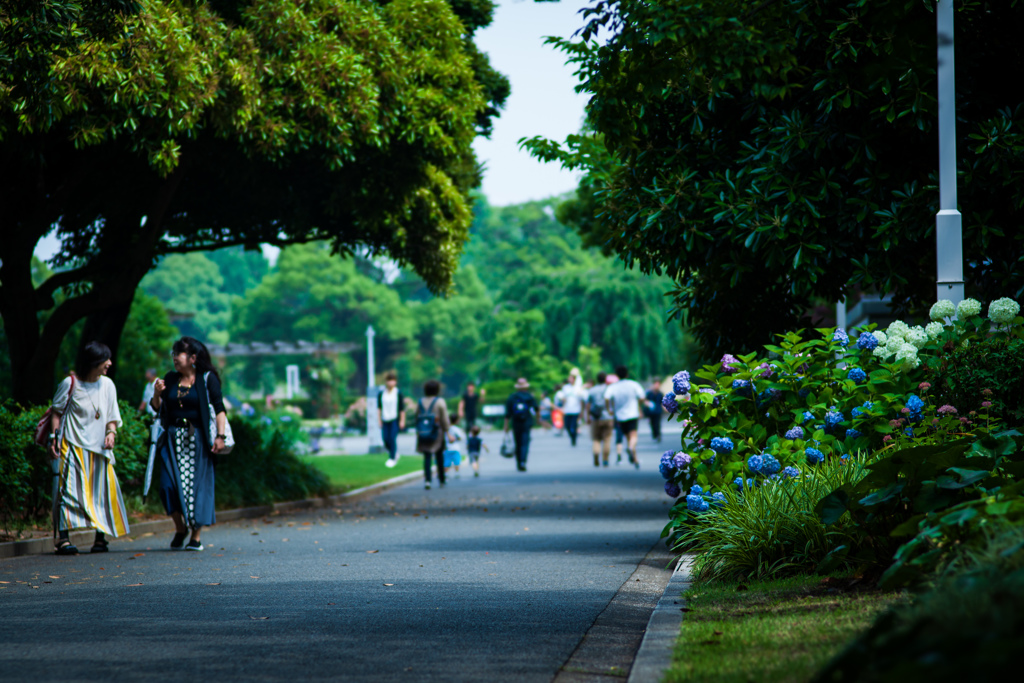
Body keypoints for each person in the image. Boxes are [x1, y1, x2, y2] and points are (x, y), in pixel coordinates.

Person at [48, 341, 130, 555]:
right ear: (94, 363)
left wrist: (111, 433)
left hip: (100, 449)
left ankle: (100, 539)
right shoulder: (70, 383)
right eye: (106, 360)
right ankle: (63, 540)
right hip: (72, 446)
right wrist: (54, 438)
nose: (110, 363)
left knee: (100, 494)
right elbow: (56, 412)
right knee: (68, 493)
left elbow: (112, 417)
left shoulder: (108, 385)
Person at [151, 337, 228, 552]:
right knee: (167, 486)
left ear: (192, 358)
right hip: (173, 439)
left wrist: (220, 436)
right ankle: (180, 527)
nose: (175, 357)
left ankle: (196, 536)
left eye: (179, 353)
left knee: (198, 488)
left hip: (199, 441)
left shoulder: (207, 379)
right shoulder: (170, 379)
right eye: (173, 353)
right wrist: (157, 393)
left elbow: (219, 409)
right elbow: (157, 408)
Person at [605, 365, 646, 469]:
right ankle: (631, 448)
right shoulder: (633, 384)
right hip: (632, 414)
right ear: (627, 374)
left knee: (627, 437)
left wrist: (609, 409)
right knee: (633, 436)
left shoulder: (613, 387)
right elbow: (642, 397)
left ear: (617, 375)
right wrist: (638, 404)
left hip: (619, 416)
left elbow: (606, 397)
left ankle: (635, 459)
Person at [415, 379, 451, 490]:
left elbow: (417, 417)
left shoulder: (420, 401)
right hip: (437, 433)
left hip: (423, 433)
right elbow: (444, 419)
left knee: (427, 456)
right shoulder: (440, 402)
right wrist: (447, 431)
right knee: (439, 456)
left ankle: (427, 480)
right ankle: (441, 479)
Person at [504, 378, 538, 472]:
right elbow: (536, 409)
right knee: (524, 443)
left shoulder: (512, 397)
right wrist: (538, 420)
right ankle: (523, 461)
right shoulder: (529, 396)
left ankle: (519, 462)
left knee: (518, 443)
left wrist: (506, 425)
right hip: (526, 422)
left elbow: (508, 413)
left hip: (516, 422)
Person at [584, 372, 614, 468]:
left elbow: (588, 405)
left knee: (596, 439)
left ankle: (596, 457)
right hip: (607, 417)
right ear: (605, 379)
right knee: (607, 439)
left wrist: (587, 417)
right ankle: (605, 460)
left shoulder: (592, 390)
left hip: (595, 418)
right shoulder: (609, 389)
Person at [377, 371, 406, 468]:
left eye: (392, 380)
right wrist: (379, 420)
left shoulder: (398, 393)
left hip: (394, 419)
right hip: (385, 418)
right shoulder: (381, 393)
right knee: (385, 439)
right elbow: (379, 408)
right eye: (389, 380)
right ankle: (394, 452)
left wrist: (402, 421)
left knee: (392, 438)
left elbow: (402, 409)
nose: (390, 383)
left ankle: (392, 458)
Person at [556, 375, 586, 447]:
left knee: (574, 426)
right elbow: (563, 398)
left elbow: (581, 400)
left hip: (576, 410)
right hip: (567, 410)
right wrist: (563, 406)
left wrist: (582, 411)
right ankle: (572, 437)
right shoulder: (565, 388)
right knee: (567, 426)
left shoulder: (578, 388)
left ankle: (574, 438)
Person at [645, 378, 665, 443]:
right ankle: (654, 435)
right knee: (652, 424)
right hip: (651, 411)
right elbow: (646, 400)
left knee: (657, 423)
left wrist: (665, 409)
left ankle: (658, 435)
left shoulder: (660, 393)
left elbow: (662, 402)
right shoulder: (649, 393)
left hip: (658, 411)